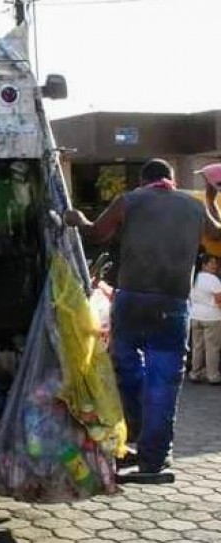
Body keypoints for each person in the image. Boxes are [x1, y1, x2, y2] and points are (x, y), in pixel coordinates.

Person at [64, 158, 221, 483]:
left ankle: (133, 437)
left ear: (143, 180)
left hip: (131, 302)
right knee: (163, 382)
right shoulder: (192, 207)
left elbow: (96, 234)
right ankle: (153, 459)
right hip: (173, 304)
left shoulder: (129, 200)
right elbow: (218, 235)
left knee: (127, 368)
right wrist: (210, 197)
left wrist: (78, 219)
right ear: (171, 180)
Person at [188, 254, 221, 385]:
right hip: (212, 317)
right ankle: (212, 376)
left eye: (215, 263)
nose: (214, 265)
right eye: (211, 263)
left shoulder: (193, 277)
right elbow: (219, 300)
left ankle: (195, 373)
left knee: (197, 346)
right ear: (204, 264)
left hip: (195, 315)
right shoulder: (214, 280)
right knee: (212, 348)